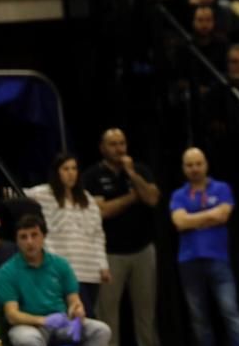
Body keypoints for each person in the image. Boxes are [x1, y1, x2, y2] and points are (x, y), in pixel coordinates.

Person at [81, 129, 160, 346]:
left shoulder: (140, 169)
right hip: (110, 254)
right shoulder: (91, 176)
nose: (119, 149)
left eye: (122, 143)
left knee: (146, 314)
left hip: (143, 250)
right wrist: (132, 197)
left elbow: (152, 198)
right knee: (108, 317)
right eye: (113, 144)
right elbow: (102, 211)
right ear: (102, 148)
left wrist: (132, 174)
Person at [169, 148, 239, 346]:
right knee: (198, 317)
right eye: (189, 165)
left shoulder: (221, 188)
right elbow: (179, 223)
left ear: (206, 164)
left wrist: (192, 219)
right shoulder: (179, 194)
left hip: (218, 259)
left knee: (230, 311)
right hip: (188, 261)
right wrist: (209, 216)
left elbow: (223, 216)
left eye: (198, 163)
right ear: (183, 168)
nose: (194, 168)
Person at [0, 215, 111, 346]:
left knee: (102, 330)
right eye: (23, 237)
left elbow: (74, 300)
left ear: (43, 236)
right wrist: (44, 320)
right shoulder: (7, 271)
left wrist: (77, 312)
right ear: (17, 241)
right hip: (28, 324)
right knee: (28, 339)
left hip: (61, 321)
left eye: (34, 235)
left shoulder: (60, 264)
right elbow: (12, 315)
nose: (29, 242)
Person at [24, 154, 109, 317]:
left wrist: (103, 265)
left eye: (74, 168)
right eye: (66, 169)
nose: (71, 173)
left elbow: (98, 234)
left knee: (88, 317)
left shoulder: (87, 199)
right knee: (78, 316)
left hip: (90, 268)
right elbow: (18, 194)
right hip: (64, 267)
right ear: (57, 172)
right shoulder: (44, 194)